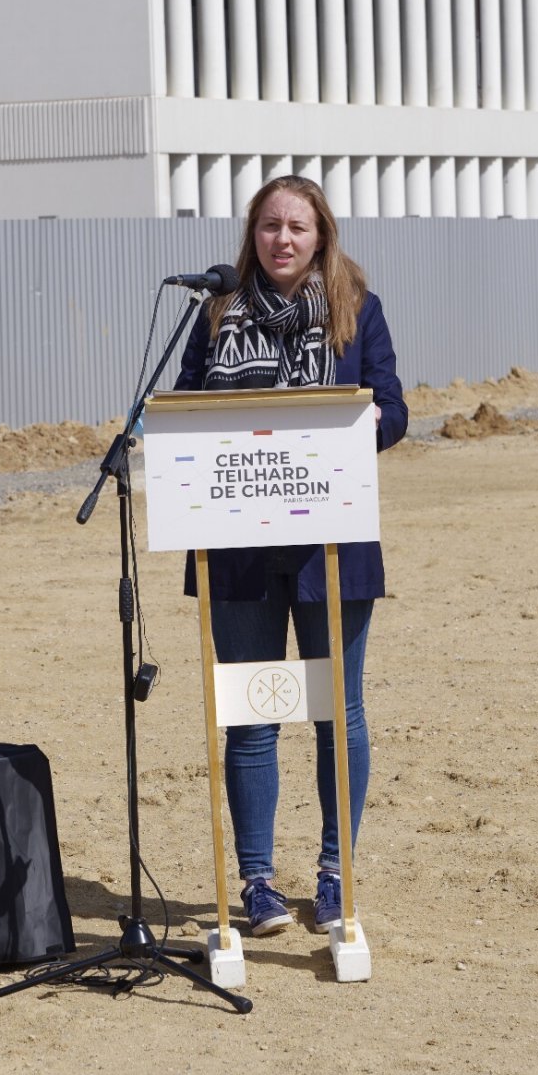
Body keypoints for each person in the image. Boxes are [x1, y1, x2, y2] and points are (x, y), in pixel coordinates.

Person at [173, 175, 407, 936]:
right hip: (239, 549)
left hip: (329, 547)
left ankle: (336, 875)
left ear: (321, 236)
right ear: (253, 234)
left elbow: (395, 409)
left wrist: (360, 422)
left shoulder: (355, 311)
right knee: (254, 715)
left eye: (297, 228)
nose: (282, 240)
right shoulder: (216, 311)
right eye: (269, 226)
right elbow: (178, 405)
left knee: (337, 713)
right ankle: (258, 883)